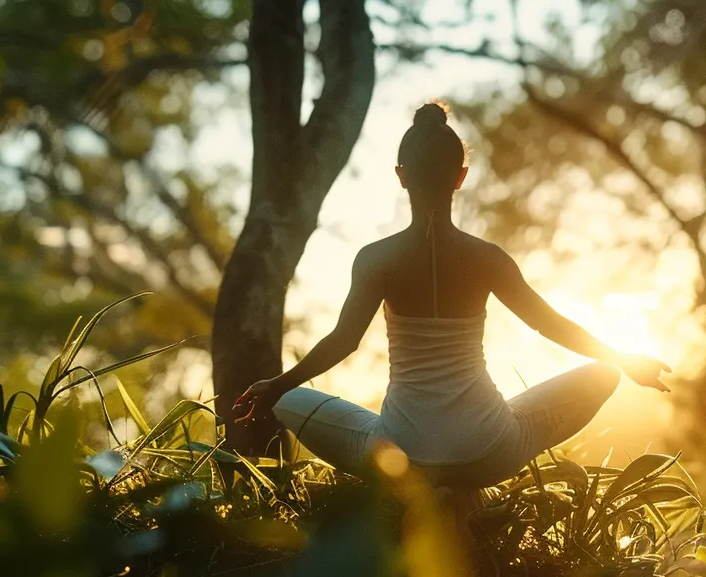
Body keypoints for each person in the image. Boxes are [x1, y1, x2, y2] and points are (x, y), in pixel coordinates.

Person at [232, 102, 671, 489]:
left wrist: (276, 386)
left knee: (288, 398)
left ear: (401, 177)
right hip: (489, 452)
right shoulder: (488, 258)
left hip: (400, 459)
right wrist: (627, 361)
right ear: (460, 178)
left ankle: (422, 497)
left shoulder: (376, 259)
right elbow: (550, 324)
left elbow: (344, 341)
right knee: (605, 374)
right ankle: (463, 497)